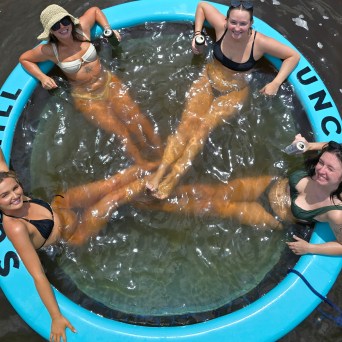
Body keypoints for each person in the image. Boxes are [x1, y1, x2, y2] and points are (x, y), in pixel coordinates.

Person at [146, 0, 300, 199]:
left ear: (251, 23)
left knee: (202, 129)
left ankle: (174, 176)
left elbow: (292, 56)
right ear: (227, 21)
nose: (237, 28)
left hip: (234, 92)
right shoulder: (221, 27)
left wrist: (276, 82)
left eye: (243, 24)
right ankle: (160, 172)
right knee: (186, 125)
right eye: (233, 22)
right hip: (208, 80)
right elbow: (201, 6)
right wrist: (198, 34)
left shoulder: (259, 42)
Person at [0, 147, 158, 341]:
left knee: (113, 182)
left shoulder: (5, 180)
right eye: (4, 196)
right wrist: (56, 317)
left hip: (60, 205)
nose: (14, 196)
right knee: (113, 198)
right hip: (74, 234)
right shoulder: (16, 228)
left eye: (15, 188)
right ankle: (160, 182)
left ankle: (161, 163)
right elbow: (37, 274)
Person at [140, 134, 342, 256]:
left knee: (216, 206)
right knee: (214, 192)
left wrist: (310, 249)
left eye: (330, 169)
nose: (321, 170)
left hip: (271, 213)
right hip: (271, 184)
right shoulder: (329, 159)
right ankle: (160, 190)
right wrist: (308, 146)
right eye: (321, 163)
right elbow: (327, 147)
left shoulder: (335, 212)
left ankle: (148, 204)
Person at [19, 4, 161, 165]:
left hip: (108, 82)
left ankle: (160, 152)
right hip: (85, 95)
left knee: (137, 118)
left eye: (65, 21)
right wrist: (42, 77)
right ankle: (143, 165)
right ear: (51, 31)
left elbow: (94, 10)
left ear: (70, 22)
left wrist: (108, 29)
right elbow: (24, 59)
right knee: (120, 132)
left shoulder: (82, 30)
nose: (62, 27)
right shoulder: (51, 51)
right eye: (56, 26)